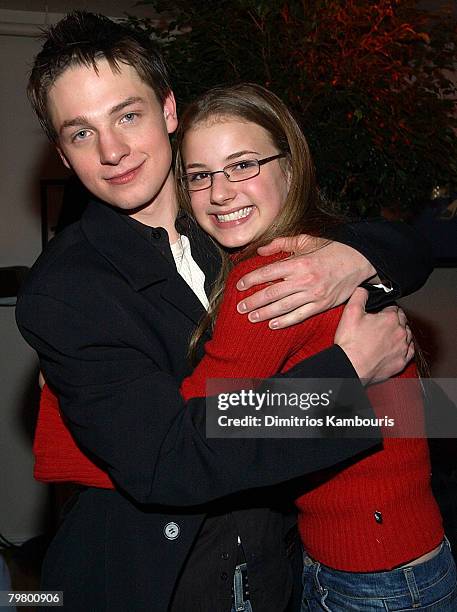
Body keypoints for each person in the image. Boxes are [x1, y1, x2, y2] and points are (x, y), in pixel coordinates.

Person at [16, 12, 429, 611]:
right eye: (81, 133)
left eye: (127, 115)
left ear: (167, 111)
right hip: (156, 582)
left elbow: (395, 241)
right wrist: (348, 378)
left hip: (277, 565)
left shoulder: (226, 210)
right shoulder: (66, 290)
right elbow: (171, 457)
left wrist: (350, 259)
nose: (112, 151)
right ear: (61, 152)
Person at [173, 83, 456, 610]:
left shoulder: (266, 281)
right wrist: (351, 379)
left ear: (290, 166)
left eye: (243, 165)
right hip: (413, 556)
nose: (220, 191)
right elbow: (397, 413)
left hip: (369, 577)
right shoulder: (329, 247)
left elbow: (198, 426)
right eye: (200, 175)